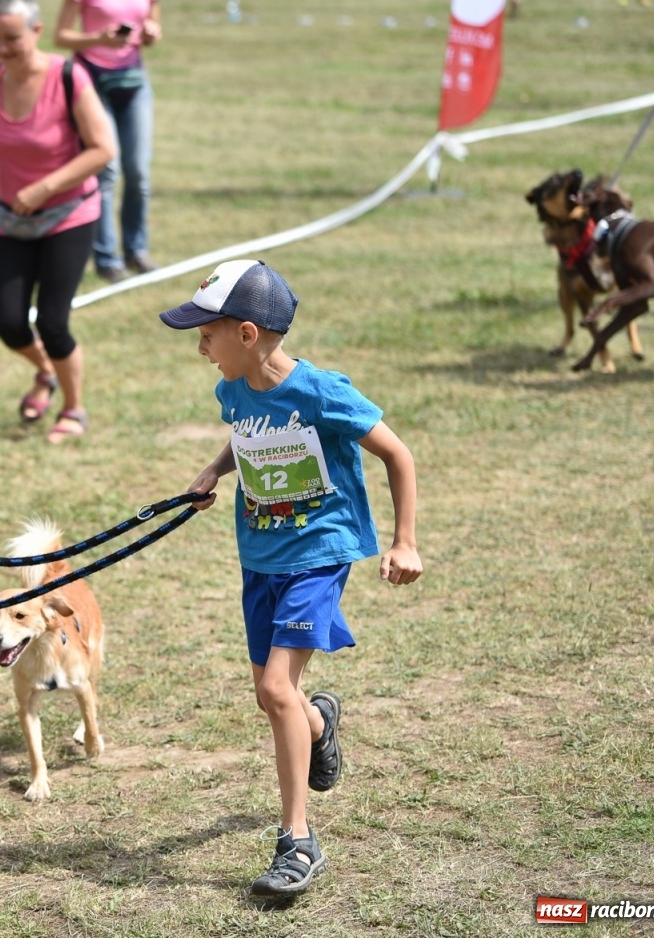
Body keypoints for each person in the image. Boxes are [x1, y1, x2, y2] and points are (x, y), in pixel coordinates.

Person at [160, 259, 422, 897]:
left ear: (247, 334)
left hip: (318, 553)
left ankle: (297, 842)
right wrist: (212, 472)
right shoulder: (235, 390)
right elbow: (243, 435)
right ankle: (322, 723)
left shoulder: (323, 393)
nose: (199, 346)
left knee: (278, 689)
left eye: (207, 333)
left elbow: (397, 452)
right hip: (260, 557)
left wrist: (405, 541)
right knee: (273, 697)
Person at [0, 0, 116, 445]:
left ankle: (74, 407)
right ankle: (46, 371)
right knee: (9, 322)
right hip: (12, 217)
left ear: (36, 31)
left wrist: (47, 186)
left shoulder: (69, 77)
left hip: (69, 212)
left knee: (52, 321)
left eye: (12, 38)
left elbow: (104, 150)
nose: (3, 48)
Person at [54, 0, 166, 283]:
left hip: (133, 80)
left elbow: (152, 29)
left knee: (138, 172)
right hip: (91, 82)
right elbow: (60, 34)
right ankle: (106, 258)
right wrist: (97, 38)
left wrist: (151, 33)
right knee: (107, 169)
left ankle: (137, 250)